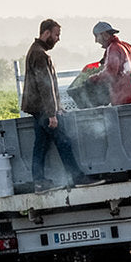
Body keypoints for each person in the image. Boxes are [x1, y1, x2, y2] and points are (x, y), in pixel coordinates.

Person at [19, 19, 98, 190]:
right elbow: (45, 85)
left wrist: (56, 107)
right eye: (56, 35)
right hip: (43, 109)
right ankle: (77, 177)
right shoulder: (40, 54)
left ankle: (39, 181)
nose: (58, 39)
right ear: (46, 33)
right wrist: (51, 113)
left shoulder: (35, 51)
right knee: (63, 141)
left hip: (39, 108)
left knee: (41, 145)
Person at [83, 21, 131, 106]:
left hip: (122, 97)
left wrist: (92, 79)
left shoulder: (113, 48)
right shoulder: (126, 46)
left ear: (104, 35)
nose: (96, 41)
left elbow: (110, 73)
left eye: (96, 36)